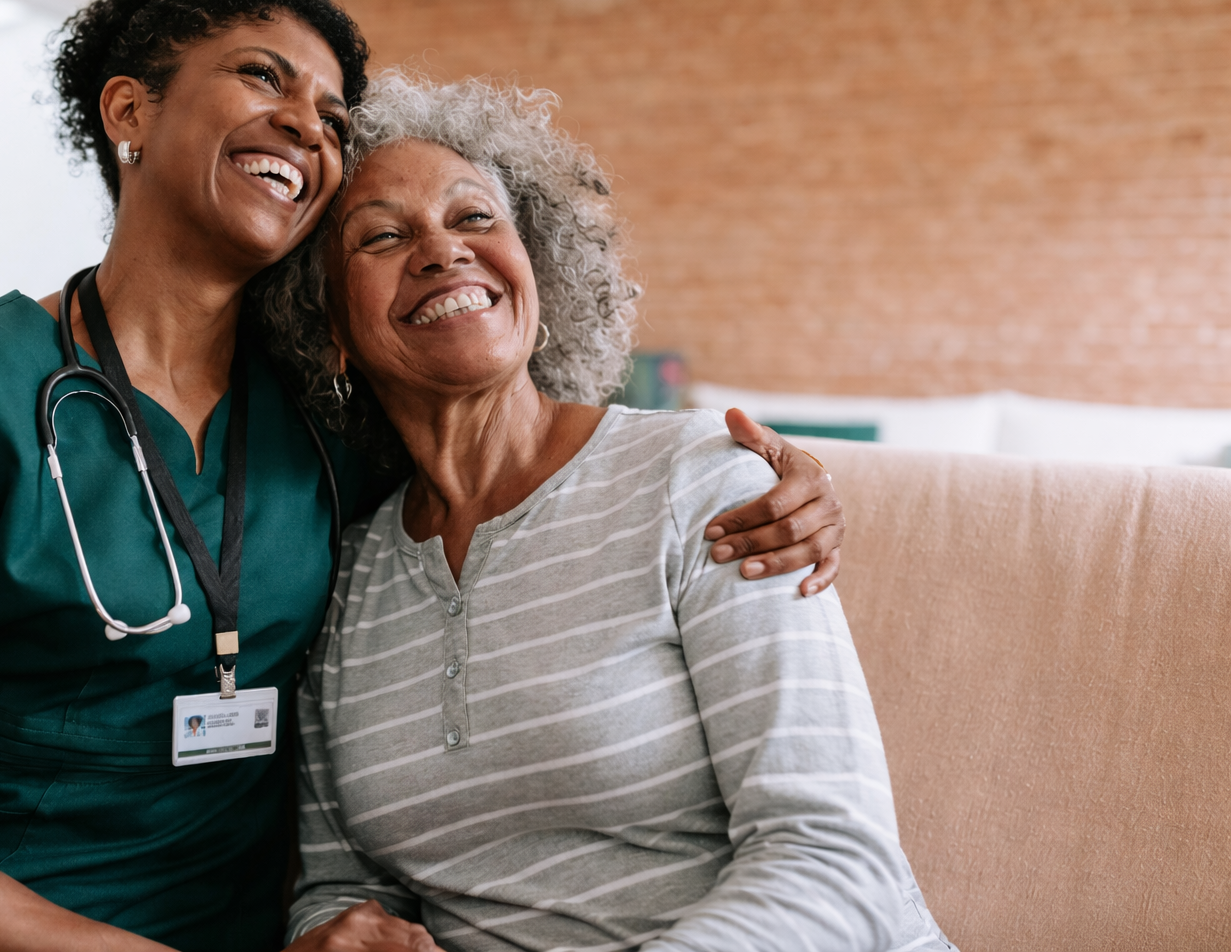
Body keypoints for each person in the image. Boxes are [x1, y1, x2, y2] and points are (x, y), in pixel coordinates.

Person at [0, 0, 842, 952]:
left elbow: (521, 464)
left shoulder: (332, 418)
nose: (308, 123)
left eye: (334, 115)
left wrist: (792, 484)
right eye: (263, 75)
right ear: (129, 112)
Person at [275, 72, 955, 952]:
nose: (443, 251)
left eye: (475, 217)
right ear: (326, 323)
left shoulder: (697, 478)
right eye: (383, 236)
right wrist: (330, 932)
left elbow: (833, 859)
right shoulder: (349, 575)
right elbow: (341, 880)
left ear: (538, 273)